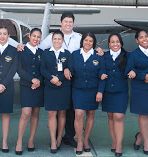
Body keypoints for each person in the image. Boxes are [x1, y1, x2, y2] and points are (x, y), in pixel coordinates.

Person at [37, 12, 104, 148]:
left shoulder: (78, 37)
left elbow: (87, 48)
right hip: (55, 79)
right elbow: (39, 50)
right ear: (61, 22)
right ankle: (56, 137)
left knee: (71, 110)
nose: (68, 24)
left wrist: (98, 50)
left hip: (73, 78)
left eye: (70, 22)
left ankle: (69, 136)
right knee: (56, 110)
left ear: (73, 24)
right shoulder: (51, 37)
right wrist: (23, 47)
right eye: (65, 21)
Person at [67, 32, 104, 155]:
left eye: (90, 41)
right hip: (78, 89)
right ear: (82, 41)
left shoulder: (98, 56)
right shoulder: (75, 54)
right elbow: (71, 68)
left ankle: (86, 140)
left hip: (93, 90)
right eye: (86, 40)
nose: (88, 43)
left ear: (94, 43)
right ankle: (79, 141)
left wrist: (100, 91)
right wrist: (67, 69)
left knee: (90, 115)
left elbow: (102, 75)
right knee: (78, 114)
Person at [40, 31, 72, 154]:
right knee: (52, 114)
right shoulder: (46, 53)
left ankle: (59, 137)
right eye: (55, 39)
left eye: (59, 39)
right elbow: (42, 69)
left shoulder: (67, 54)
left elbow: (71, 69)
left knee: (62, 113)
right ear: (52, 40)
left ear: (63, 40)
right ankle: (53, 140)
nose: (57, 41)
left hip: (63, 87)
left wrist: (60, 79)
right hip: (50, 87)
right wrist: (51, 78)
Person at [15, 28, 43, 155]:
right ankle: (19, 141)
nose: (36, 39)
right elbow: (19, 70)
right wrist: (32, 80)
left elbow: (44, 69)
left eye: (38, 37)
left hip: (38, 87)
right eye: (34, 36)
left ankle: (31, 140)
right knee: (25, 114)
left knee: (35, 113)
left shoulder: (42, 52)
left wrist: (38, 81)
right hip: (26, 85)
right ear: (29, 36)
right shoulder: (21, 50)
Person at [101, 33, 129, 157]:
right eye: (112, 42)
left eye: (117, 42)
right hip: (108, 91)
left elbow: (137, 63)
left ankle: (119, 144)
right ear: (109, 44)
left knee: (118, 116)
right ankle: (114, 141)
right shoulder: (104, 56)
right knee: (111, 116)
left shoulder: (127, 56)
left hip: (121, 91)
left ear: (121, 43)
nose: (115, 44)